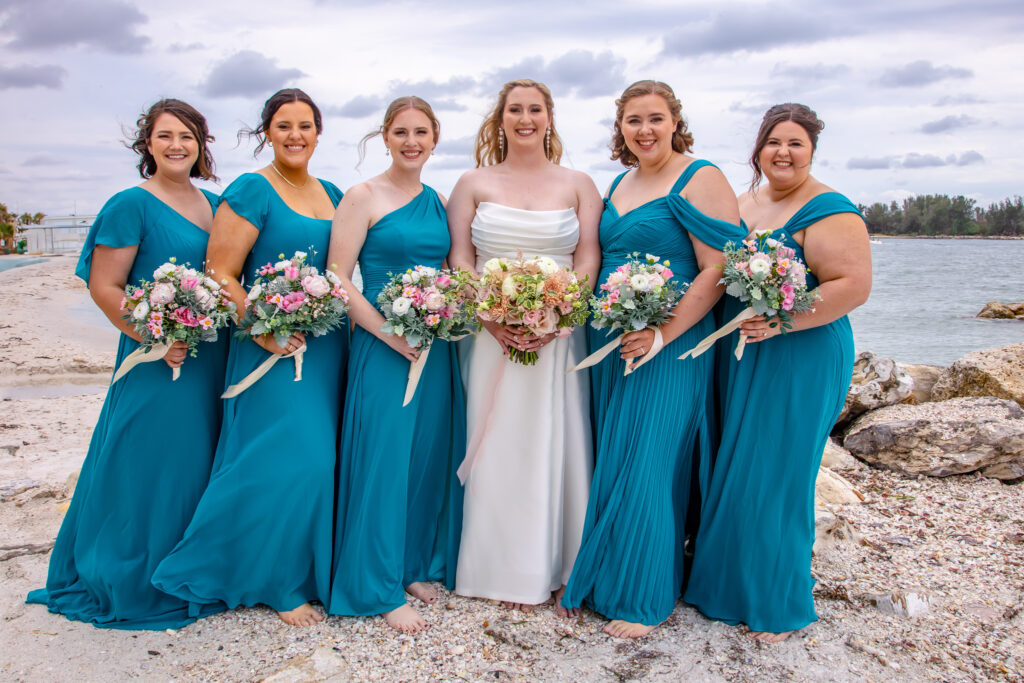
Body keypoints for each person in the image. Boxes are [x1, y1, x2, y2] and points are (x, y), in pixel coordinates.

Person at [26, 99, 228, 629]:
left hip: (210, 355)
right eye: (165, 136)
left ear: (201, 143)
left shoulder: (214, 204)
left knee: (198, 458)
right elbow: (104, 286)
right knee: (147, 460)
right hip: (155, 357)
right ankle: (134, 575)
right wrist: (156, 338)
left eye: (186, 136)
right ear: (148, 145)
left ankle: (189, 568)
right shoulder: (129, 203)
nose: (177, 145)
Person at [151, 89, 346, 627]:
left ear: (318, 130)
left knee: (318, 461)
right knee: (287, 457)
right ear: (267, 131)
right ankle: (275, 580)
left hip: (326, 347)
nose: (295, 135)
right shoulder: (251, 189)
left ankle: (307, 571)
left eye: (305, 125)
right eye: (283, 126)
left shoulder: (332, 191)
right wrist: (263, 329)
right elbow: (220, 271)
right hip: (271, 349)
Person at [561, 80, 747, 638]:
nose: (644, 130)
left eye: (655, 119)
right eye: (633, 120)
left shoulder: (702, 177)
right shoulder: (619, 182)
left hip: (670, 344)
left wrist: (662, 333)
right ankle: (606, 573)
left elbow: (717, 270)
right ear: (620, 128)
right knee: (613, 454)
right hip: (610, 340)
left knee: (649, 459)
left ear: (675, 122)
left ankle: (641, 595)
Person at [684, 103, 871, 642]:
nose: (783, 153)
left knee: (778, 472)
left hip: (799, 355)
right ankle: (719, 588)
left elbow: (852, 285)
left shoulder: (830, 208)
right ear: (758, 150)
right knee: (732, 464)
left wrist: (784, 320)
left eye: (795, 144)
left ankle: (776, 603)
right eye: (773, 143)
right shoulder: (743, 203)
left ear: (812, 151)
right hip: (739, 353)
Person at [447, 79, 601, 613]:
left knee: (557, 439)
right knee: (497, 439)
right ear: (501, 119)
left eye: (535, 109)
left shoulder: (579, 184)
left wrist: (559, 312)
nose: (525, 118)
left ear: (550, 117)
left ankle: (559, 565)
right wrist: (491, 317)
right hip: (491, 335)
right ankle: (497, 567)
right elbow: (460, 260)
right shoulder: (471, 182)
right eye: (515, 109)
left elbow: (587, 258)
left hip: (560, 336)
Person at [326, 97, 464, 633]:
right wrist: (388, 334)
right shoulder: (362, 196)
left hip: (435, 347)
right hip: (383, 348)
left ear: (435, 138)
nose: (412, 141)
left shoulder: (439, 200)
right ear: (385, 136)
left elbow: (455, 272)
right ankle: (374, 584)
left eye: (421, 132)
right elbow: (338, 277)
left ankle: (409, 565)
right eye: (401, 132)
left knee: (425, 458)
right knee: (383, 460)